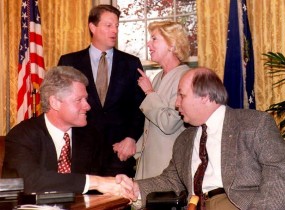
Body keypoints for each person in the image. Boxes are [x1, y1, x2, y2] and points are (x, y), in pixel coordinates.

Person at [121, 67, 285, 209]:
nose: (176, 104)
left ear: (205, 97)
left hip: (243, 205)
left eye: (181, 95)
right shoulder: (185, 139)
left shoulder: (254, 124)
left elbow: (281, 173)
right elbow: (170, 180)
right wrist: (135, 188)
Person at [3, 66, 129, 195]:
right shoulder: (22, 135)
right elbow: (30, 181)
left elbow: (111, 167)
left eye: (86, 99)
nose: (88, 106)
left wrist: (121, 181)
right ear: (55, 103)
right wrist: (96, 182)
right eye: (79, 100)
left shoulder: (90, 134)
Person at [57, 5, 145, 177]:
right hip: (79, 153)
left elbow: (141, 107)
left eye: (117, 26)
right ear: (93, 27)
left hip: (119, 153)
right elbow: (59, 106)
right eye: (109, 25)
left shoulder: (131, 63)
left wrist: (131, 138)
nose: (115, 30)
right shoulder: (69, 61)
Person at [134, 20, 190, 179]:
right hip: (150, 164)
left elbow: (168, 123)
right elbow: (151, 127)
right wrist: (134, 147)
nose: (148, 43)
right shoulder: (158, 77)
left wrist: (150, 92)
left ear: (172, 44)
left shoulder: (185, 77)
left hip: (168, 167)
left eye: (154, 39)